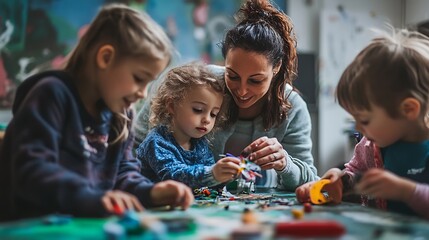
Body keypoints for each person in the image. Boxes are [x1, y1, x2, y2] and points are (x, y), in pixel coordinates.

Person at [0, 4, 194, 221]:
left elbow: (123, 175)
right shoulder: (51, 95)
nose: (143, 94)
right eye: (139, 79)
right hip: (32, 228)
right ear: (105, 58)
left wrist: (151, 192)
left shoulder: (120, 113)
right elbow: (31, 171)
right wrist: (91, 198)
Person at [134, 0, 318, 191]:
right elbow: (135, 147)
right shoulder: (199, 85)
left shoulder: (293, 108)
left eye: (255, 80)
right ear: (224, 62)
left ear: (276, 68)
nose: (242, 90)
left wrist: (285, 164)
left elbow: (310, 181)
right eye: (233, 76)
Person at [295, 28, 429, 219]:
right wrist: (338, 181)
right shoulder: (369, 147)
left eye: (364, 120)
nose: (358, 128)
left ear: (408, 109)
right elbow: (354, 174)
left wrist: (406, 191)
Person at [135, 62, 241, 189]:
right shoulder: (156, 142)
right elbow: (173, 176)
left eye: (213, 114)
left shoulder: (200, 144)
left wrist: (228, 175)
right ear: (172, 105)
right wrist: (212, 173)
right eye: (198, 109)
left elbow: (209, 184)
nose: (207, 119)